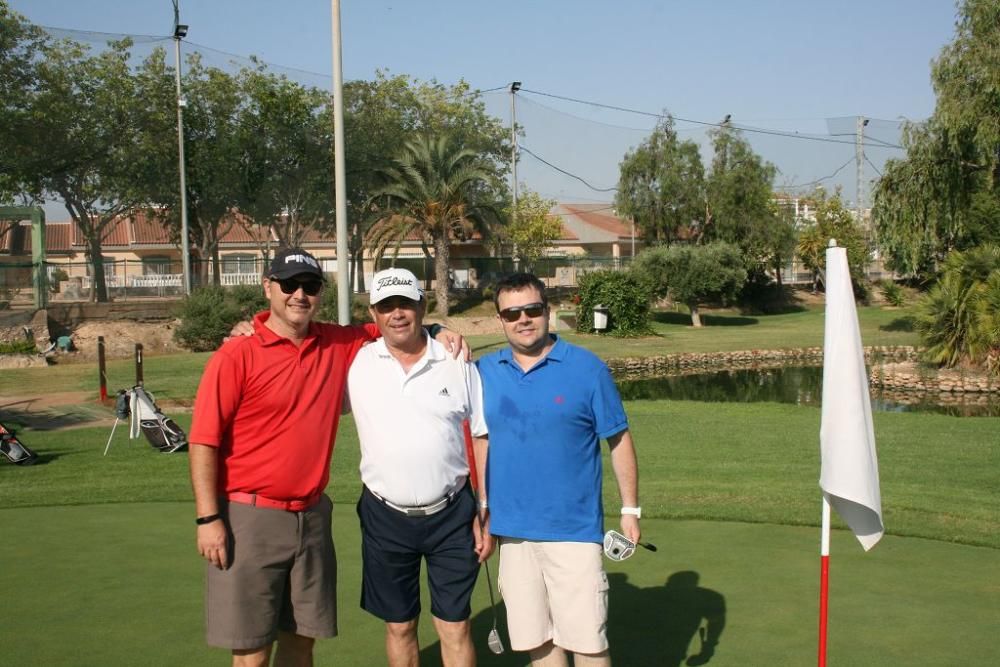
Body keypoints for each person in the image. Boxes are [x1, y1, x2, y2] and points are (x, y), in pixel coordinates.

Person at [188, 249, 464, 666]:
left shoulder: (338, 342)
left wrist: (440, 327)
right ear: (268, 288)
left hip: (313, 517)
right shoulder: (236, 354)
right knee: (251, 651)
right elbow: (203, 441)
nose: (300, 294)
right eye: (289, 284)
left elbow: (396, 325)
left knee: (302, 640)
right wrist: (209, 519)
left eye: (311, 286)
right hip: (250, 516)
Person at [474, 273, 640, 667]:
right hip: (512, 532)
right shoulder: (483, 371)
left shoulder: (587, 368)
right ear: (500, 319)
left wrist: (631, 509)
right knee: (537, 643)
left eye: (532, 309)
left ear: (547, 311)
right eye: (512, 313)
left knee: (587, 643)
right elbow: (480, 441)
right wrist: (483, 509)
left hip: (574, 530)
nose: (523, 319)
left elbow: (618, 439)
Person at [347, 267, 490, 667]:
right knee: (399, 625)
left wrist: (484, 509)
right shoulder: (357, 362)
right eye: (386, 306)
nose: (397, 314)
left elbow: (480, 436)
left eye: (405, 304)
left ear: (421, 306)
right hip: (383, 516)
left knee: (455, 625)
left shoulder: (456, 359)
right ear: (373, 314)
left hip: (452, 514)